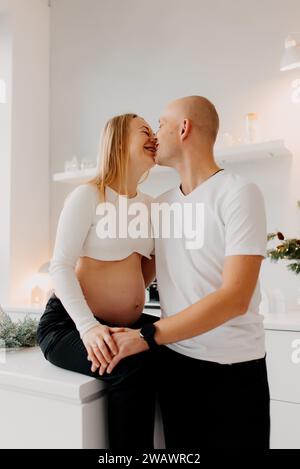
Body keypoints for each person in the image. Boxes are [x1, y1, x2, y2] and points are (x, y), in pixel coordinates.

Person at [106, 96, 270, 449]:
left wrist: (146, 335)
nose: (155, 134)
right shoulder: (162, 203)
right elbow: (136, 280)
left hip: (232, 374)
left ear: (184, 128)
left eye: (161, 124)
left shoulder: (238, 192)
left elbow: (234, 298)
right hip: (175, 367)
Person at [37, 113, 159, 449]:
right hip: (70, 325)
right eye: (144, 131)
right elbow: (60, 266)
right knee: (130, 364)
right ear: (119, 142)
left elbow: (145, 271)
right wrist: (90, 328)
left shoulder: (150, 206)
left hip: (122, 325)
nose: (154, 137)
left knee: (182, 348)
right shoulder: (89, 196)